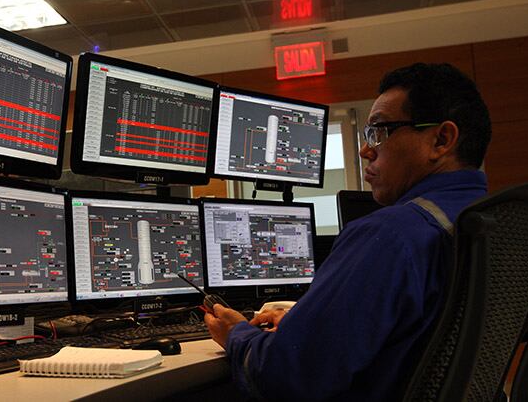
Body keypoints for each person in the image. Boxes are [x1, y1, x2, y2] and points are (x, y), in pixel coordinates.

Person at [204, 62, 492, 400]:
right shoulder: (488, 223)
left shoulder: (393, 234)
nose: (366, 150)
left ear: (441, 139)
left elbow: (283, 375)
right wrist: (308, 325)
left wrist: (236, 332)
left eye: (380, 131)